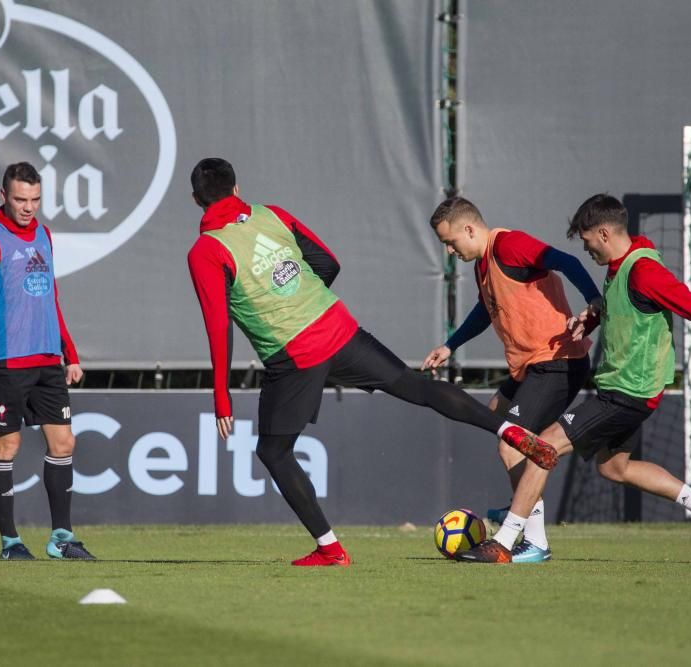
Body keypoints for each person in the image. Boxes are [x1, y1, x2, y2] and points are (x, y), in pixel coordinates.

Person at [186, 157, 559, 567]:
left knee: (274, 452)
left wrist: (221, 395)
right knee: (417, 387)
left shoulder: (207, 251)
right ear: (237, 190)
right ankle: (508, 429)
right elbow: (328, 262)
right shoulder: (272, 214)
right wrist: (304, 298)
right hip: (339, 327)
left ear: (196, 201)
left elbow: (217, 326)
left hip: (294, 354)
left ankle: (330, 549)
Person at [454, 194, 691, 564]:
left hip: (627, 393)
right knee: (614, 467)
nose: (586, 249)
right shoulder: (619, 268)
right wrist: (587, 320)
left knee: (542, 446)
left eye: (587, 240)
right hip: (625, 390)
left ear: (603, 234)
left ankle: (510, 542)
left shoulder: (644, 271)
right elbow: (624, 313)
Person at [420, 196, 600, 563]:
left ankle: (530, 538)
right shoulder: (483, 264)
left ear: (469, 229)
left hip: (558, 361)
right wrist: (450, 345)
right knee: (496, 411)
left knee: (512, 444)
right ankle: (525, 507)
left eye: (450, 243)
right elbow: (485, 312)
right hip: (533, 366)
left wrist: (594, 299)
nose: (450, 251)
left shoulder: (510, 245)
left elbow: (566, 260)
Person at [0, 162, 94, 561]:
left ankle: (62, 538)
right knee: (7, 445)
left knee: (64, 442)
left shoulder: (44, 235)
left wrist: (70, 351)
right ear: (3, 196)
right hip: (6, 362)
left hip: (48, 360)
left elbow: (51, 297)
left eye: (35, 199)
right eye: (20, 199)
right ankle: (10, 542)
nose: (28, 207)